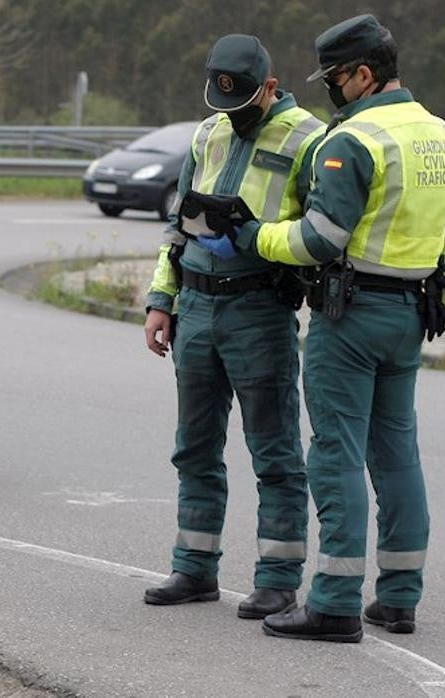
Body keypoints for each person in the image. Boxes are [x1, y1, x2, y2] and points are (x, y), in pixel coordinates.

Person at [223, 15, 445, 642]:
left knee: (335, 456)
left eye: (335, 78)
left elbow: (318, 237)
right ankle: (399, 598)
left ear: (364, 73)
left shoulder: (351, 140)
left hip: (350, 315)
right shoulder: (442, 135)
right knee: (398, 456)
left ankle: (331, 602)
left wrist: (255, 235)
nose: (332, 89)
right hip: (411, 310)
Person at [142, 34, 326, 619]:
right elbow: (177, 226)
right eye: (222, 104)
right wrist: (160, 299)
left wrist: (254, 239)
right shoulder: (208, 132)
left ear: (270, 86)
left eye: (244, 103)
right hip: (195, 306)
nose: (232, 115)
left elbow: (319, 235)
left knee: (274, 452)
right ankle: (193, 568)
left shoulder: (309, 138)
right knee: (193, 448)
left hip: (259, 309)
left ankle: (277, 578)